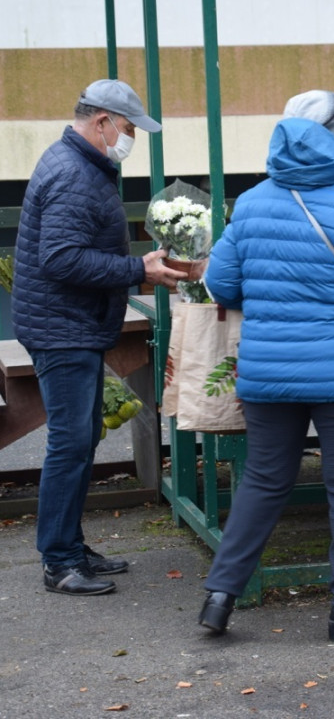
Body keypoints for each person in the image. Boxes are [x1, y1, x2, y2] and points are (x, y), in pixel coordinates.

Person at [197, 90, 334, 641]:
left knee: (263, 481)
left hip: (268, 373)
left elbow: (222, 284)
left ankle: (219, 596)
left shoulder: (251, 203)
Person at [12, 78, 186, 596]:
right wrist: (139, 270)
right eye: (129, 128)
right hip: (62, 328)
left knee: (81, 436)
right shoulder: (73, 173)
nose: (130, 138)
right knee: (71, 443)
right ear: (102, 121)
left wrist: (135, 269)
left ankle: (69, 545)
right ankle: (59, 560)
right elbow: (61, 259)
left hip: (65, 322)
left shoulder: (81, 164)